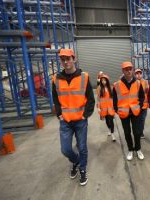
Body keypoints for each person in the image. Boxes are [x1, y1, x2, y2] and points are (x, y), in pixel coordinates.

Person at [52, 48, 95, 186]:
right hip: (65, 121)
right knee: (65, 149)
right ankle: (76, 161)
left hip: (80, 120)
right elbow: (55, 99)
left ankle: (82, 169)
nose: (65, 62)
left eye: (68, 59)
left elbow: (90, 98)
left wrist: (85, 115)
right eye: (62, 59)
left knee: (82, 147)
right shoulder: (56, 79)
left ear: (74, 59)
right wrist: (59, 114)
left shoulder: (84, 77)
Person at [113, 61, 145, 161]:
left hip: (135, 112)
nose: (129, 71)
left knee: (137, 132)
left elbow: (142, 97)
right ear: (123, 71)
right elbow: (114, 99)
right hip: (124, 113)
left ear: (133, 70)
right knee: (127, 133)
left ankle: (138, 149)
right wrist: (117, 110)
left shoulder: (138, 83)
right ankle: (130, 149)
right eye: (126, 69)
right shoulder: (117, 85)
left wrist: (139, 106)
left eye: (130, 69)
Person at [96, 74, 116, 142]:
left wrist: (115, 106)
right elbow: (98, 99)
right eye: (102, 80)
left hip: (110, 107)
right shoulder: (99, 88)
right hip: (104, 108)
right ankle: (109, 129)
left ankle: (113, 134)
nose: (103, 81)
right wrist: (98, 107)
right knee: (107, 121)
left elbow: (114, 98)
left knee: (111, 121)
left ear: (107, 81)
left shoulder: (111, 87)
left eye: (104, 80)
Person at [134, 68, 149, 139]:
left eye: (140, 73)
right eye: (137, 73)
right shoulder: (133, 82)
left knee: (142, 120)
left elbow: (147, 92)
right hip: (137, 105)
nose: (139, 75)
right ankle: (137, 132)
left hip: (144, 105)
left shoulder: (145, 82)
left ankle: (141, 132)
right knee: (137, 120)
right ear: (135, 75)